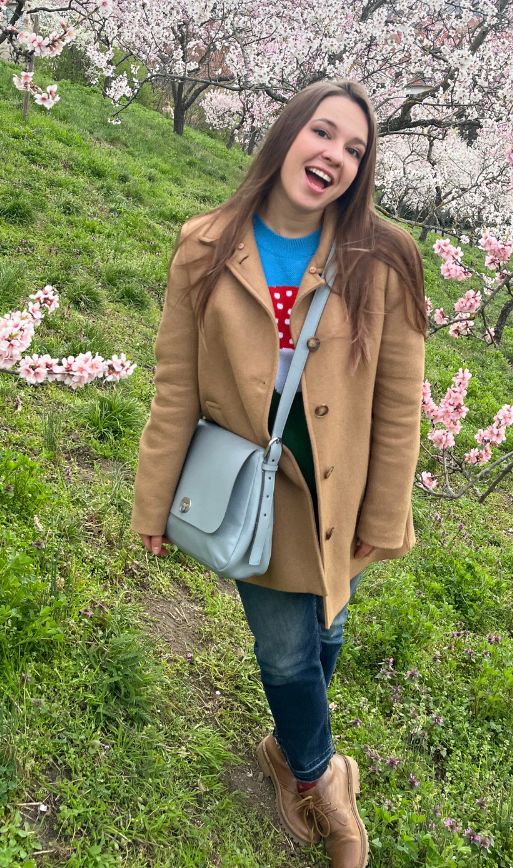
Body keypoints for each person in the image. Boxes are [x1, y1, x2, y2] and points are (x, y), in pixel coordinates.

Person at [131, 80, 427, 868]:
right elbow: (175, 385)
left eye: (354, 148)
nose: (334, 154)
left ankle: (284, 751)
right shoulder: (204, 245)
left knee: (326, 630)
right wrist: (153, 501)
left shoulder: (381, 258)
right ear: (286, 135)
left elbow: (401, 403)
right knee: (289, 654)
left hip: (345, 491)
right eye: (322, 133)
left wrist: (382, 519)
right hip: (256, 496)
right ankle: (323, 778)